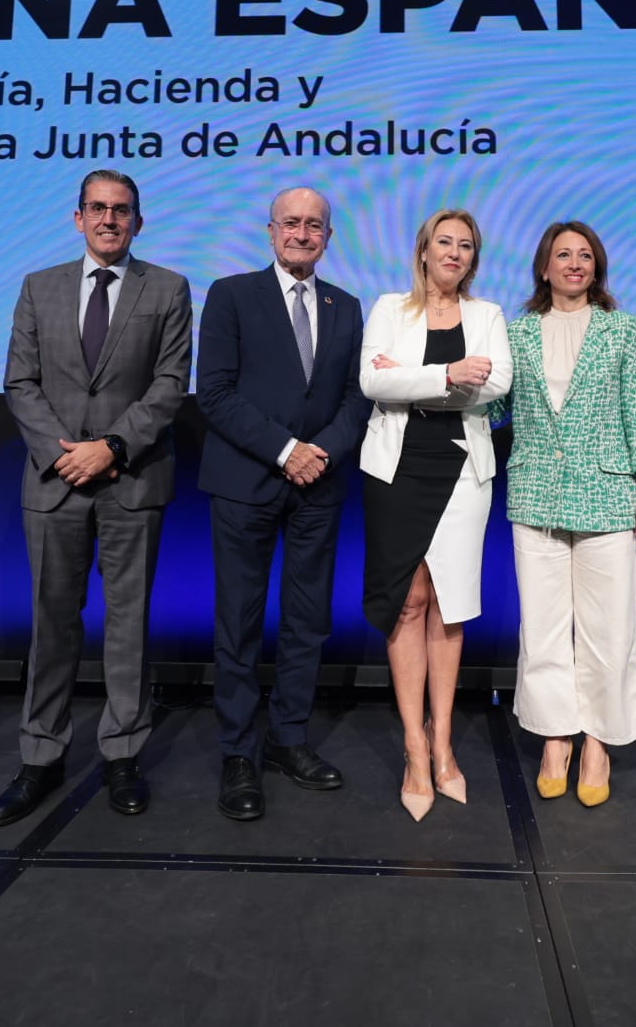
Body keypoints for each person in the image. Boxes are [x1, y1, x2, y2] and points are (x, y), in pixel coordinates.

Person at [0, 169, 192, 826]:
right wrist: (63, 453)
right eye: (98, 208)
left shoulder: (168, 287)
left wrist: (110, 446)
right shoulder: (37, 287)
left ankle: (123, 753)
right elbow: (20, 382)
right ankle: (41, 756)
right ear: (77, 217)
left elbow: (169, 384)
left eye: (122, 209)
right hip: (53, 483)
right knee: (52, 623)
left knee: (127, 625)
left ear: (139, 220)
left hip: (131, 478)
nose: (110, 219)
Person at [196, 187, 371, 821]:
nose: (302, 233)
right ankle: (239, 752)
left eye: (314, 225)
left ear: (329, 236)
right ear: (270, 231)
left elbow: (359, 399)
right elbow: (212, 393)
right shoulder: (230, 295)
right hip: (246, 484)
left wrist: (317, 453)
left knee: (307, 622)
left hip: (318, 487)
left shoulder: (347, 307)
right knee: (238, 625)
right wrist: (285, 450)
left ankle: (289, 740)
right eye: (291, 223)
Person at [358, 209, 512, 821]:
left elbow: (497, 382)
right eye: (443, 242)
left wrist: (411, 379)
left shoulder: (488, 315)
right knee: (409, 600)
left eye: (465, 245)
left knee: (449, 604)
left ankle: (444, 741)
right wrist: (448, 374)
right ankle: (414, 749)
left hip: (462, 471)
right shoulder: (390, 307)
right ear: (423, 251)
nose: (454, 252)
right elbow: (372, 382)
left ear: (474, 258)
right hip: (397, 470)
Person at [503, 221, 636, 808]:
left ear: (597, 267)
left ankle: (598, 741)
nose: (574, 263)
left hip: (607, 491)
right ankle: (555, 740)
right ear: (544, 266)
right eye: (563, 254)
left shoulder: (622, 329)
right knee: (543, 629)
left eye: (585, 255)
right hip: (536, 492)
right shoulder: (516, 332)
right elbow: (494, 403)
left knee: (609, 629)